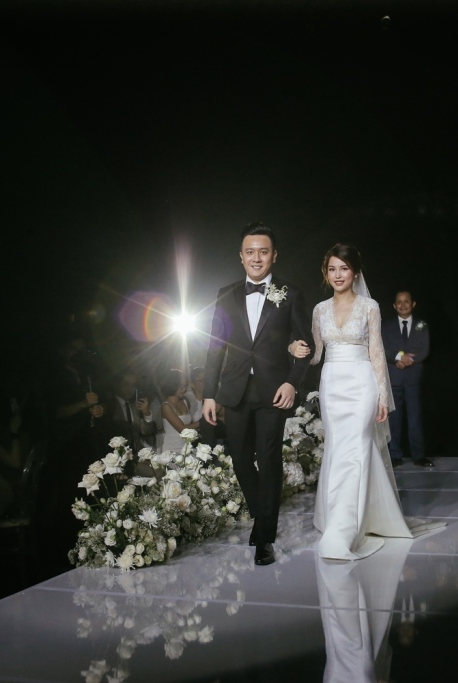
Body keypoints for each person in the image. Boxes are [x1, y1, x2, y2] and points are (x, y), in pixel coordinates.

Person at [289, 244, 443, 561]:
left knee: (357, 448)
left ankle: (347, 528)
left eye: (343, 268)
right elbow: (316, 354)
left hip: (362, 383)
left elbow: (376, 352)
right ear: (325, 273)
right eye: (332, 269)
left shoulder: (369, 306)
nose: (338, 275)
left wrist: (383, 396)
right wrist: (294, 348)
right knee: (337, 448)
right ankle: (339, 516)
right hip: (331, 384)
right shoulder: (319, 310)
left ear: (355, 272)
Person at [202, 222, 313, 566]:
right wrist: (208, 394)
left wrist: (292, 382)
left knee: (268, 459)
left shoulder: (290, 293)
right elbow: (215, 347)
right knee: (238, 458)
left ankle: (265, 536)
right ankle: (261, 515)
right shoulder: (226, 293)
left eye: (263, 251)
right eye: (250, 252)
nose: (256, 257)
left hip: (273, 391)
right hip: (235, 389)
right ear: (241, 256)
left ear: (273, 255)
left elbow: (305, 345)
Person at [380, 290, 432, 467]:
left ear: (413, 304)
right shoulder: (386, 326)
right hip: (394, 377)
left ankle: (419, 456)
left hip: (412, 378)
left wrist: (410, 360)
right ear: (394, 305)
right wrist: (398, 358)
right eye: (399, 302)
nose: (403, 305)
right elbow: (382, 348)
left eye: (406, 301)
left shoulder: (421, 325)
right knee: (394, 419)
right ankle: (395, 455)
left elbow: (424, 349)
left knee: (415, 417)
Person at [159, 368, 199, 453]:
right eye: (181, 386)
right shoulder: (166, 406)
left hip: (187, 447)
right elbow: (183, 430)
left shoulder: (185, 401)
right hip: (172, 450)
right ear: (172, 385)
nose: (184, 389)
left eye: (185, 386)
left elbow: (191, 424)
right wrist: (202, 422)